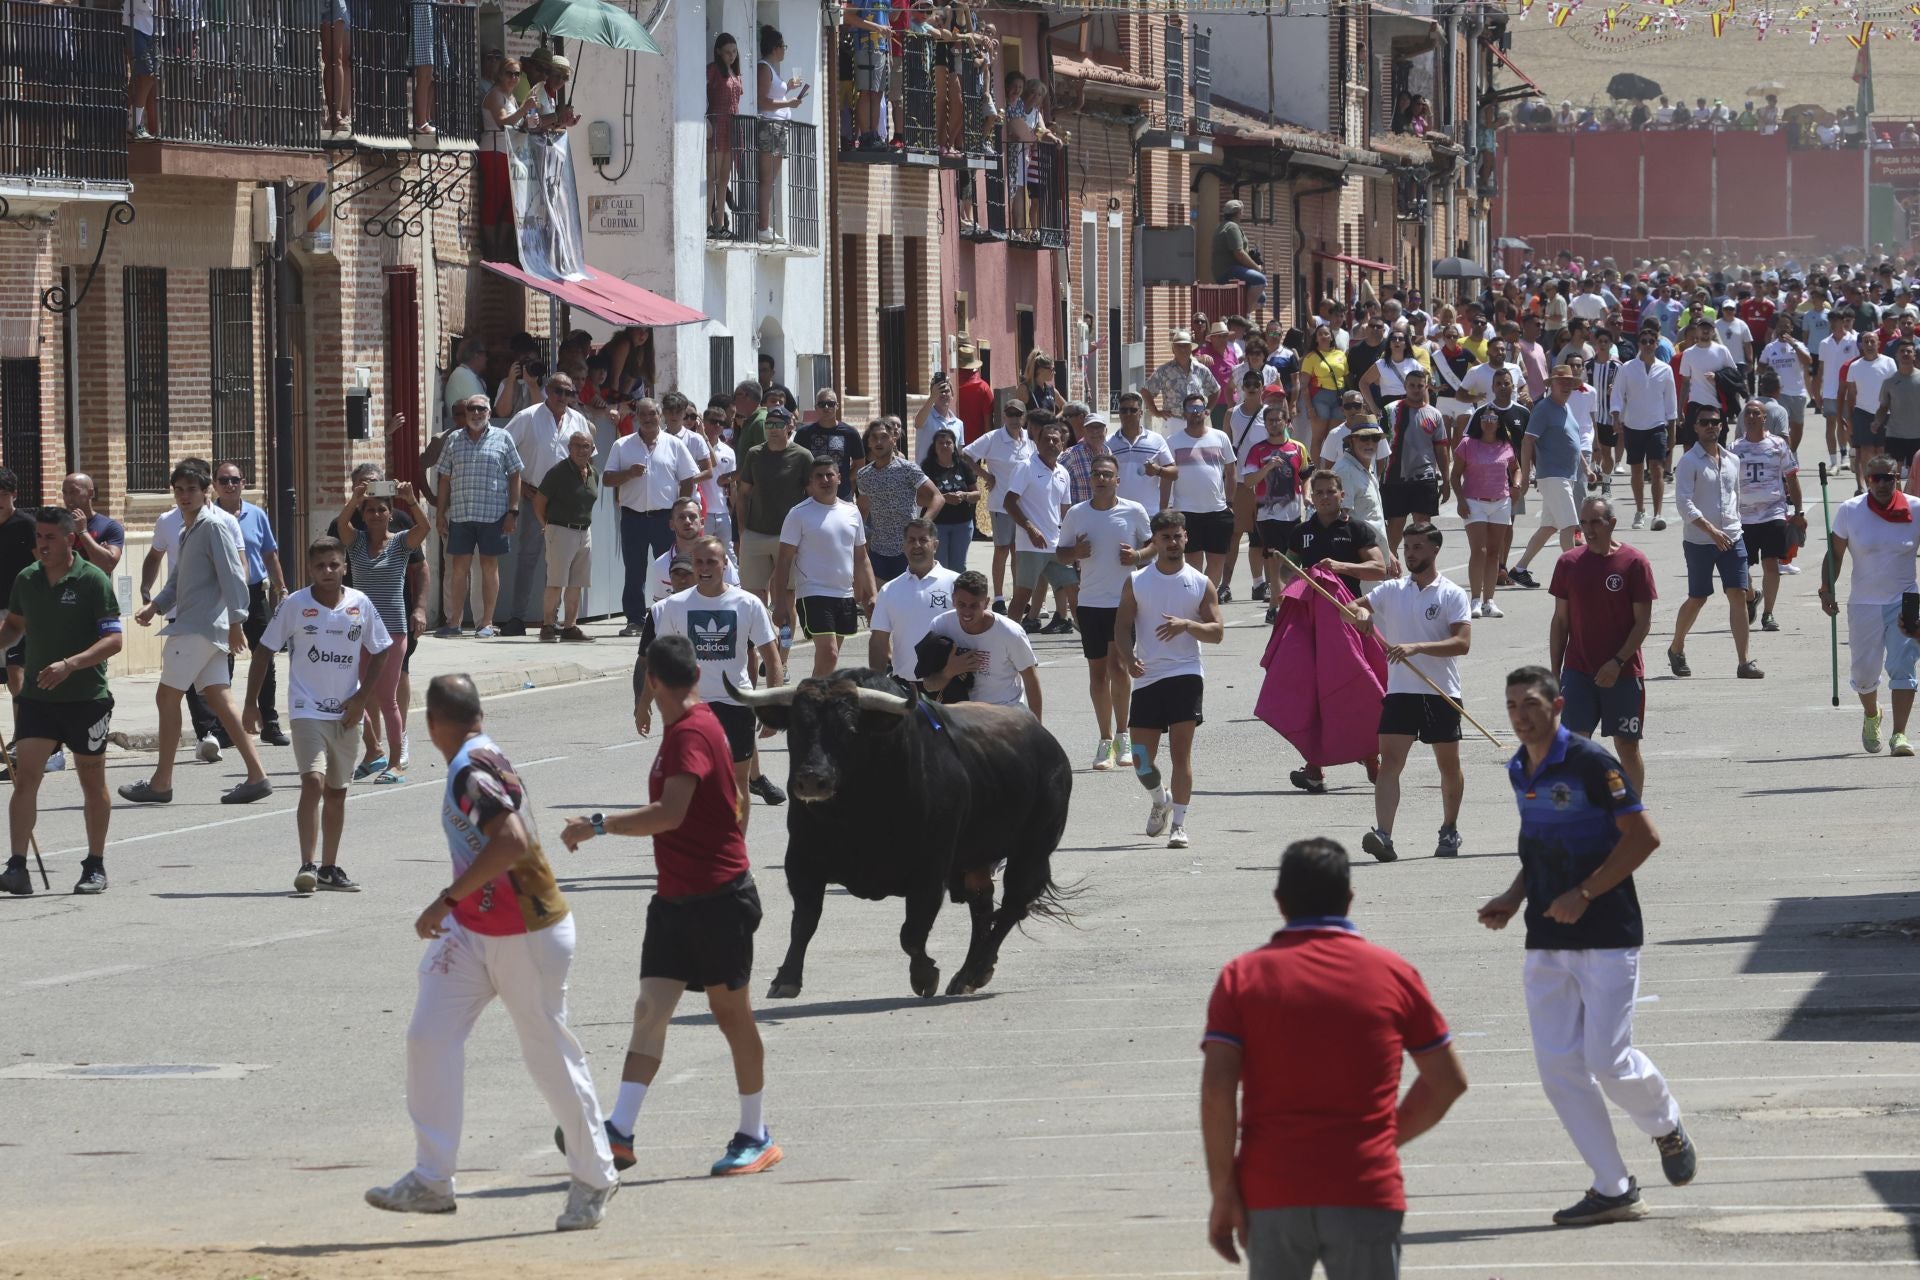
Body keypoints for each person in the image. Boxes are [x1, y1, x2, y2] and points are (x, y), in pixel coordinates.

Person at [365, 676, 618, 1230]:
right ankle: (432, 1180)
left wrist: (445, 899)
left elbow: (511, 840)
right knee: (429, 1036)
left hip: (525, 931)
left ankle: (595, 1176)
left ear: (432, 724)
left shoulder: (469, 770)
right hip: (475, 931)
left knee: (548, 1055)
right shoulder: (480, 753)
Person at [1478, 666, 1696, 1228]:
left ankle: (1665, 1124)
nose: (1521, 716)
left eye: (1530, 704)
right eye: (1512, 706)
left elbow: (1644, 837)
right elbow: (1537, 845)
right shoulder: (1518, 768)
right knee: (1558, 1069)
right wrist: (1513, 896)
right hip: (1546, 938)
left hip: (1607, 935)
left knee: (1607, 1060)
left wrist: (1586, 892)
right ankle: (1614, 1187)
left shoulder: (1593, 763)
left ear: (1558, 706)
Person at [563, 632, 782, 1178]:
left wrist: (598, 825)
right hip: (676, 899)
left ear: (652, 681)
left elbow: (670, 813)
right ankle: (620, 1130)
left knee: (731, 1015)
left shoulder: (690, 733)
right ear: (696, 675)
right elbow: (728, 801)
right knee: (651, 1010)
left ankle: (755, 1134)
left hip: (718, 900)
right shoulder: (694, 725)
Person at [1201, 837, 1466, 1278]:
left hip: (1273, 1188)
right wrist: (1385, 1140)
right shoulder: (1393, 973)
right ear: (1349, 899)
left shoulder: (1241, 978)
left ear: (1279, 902)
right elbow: (1448, 1081)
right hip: (1364, 1187)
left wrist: (1223, 1190)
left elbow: (1216, 1092)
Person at [244, 536, 393, 894]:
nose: (327, 571)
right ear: (310, 569)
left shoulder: (360, 603)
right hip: (306, 709)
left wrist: (361, 699)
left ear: (344, 567)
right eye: (319, 565)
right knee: (313, 781)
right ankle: (307, 864)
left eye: (333, 565)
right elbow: (263, 651)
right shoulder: (295, 605)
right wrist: (251, 704)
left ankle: (329, 868)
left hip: (345, 714)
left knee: (337, 793)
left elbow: (381, 650)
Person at [120, 462, 273, 807]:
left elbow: (234, 576)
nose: (184, 495)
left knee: (166, 697)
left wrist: (237, 622)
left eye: (191, 489)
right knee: (220, 699)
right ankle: (257, 776)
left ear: (206, 491)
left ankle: (161, 783)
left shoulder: (213, 526)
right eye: (179, 489)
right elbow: (178, 581)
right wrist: (155, 606)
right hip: (201, 627)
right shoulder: (187, 529)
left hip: (198, 628)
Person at [0, 508, 122, 897]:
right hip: (38, 698)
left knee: (92, 782)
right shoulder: (27, 579)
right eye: (38, 536)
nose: (42, 544)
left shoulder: (92, 580)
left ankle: (95, 865)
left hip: (86, 699)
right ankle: (17, 867)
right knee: (25, 779)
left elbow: (114, 640)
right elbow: (14, 626)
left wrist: (71, 664)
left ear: (70, 539)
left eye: (50, 537)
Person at [641, 536, 786, 825]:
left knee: (738, 782)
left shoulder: (748, 603)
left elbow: (772, 660)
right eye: (699, 562)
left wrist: (773, 709)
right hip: (692, 710)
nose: (704, 568)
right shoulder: (675, 606)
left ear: (725, 564)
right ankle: (701, 845)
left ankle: (736, 851)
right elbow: (658, 661)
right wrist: (643, 704)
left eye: (711, 562)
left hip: (736, 705)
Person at [1350, 523, 1471, 863]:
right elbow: (1351, 608)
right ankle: (1384, 835)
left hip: (1440, 691)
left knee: (1448, 765)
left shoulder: (1451, 594)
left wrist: (1417, 647)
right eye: (1407, 547)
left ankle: (1449, 828)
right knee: (1390, 763)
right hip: (1400, 691)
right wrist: (1360, 612)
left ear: (1435, 549)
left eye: (1418, 547)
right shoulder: (1391, 589)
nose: (1411, 553)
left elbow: (1462, 643)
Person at [1115, 510, 1223, 850]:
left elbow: (1217, 632)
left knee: (1181, 754)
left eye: (1178, 536)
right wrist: (1128, 658)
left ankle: (1179, 824)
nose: (1173, 542)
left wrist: (1187, 625)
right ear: (1155, 541)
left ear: (1186, 537)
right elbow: (1121, 627)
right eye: (1166, 537)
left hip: (1185, 673)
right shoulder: (1137, 581)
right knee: (1140, 759)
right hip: (1148, 677)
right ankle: (1160, 799)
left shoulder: (1200, 582)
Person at [1550, 497, 1655, 795]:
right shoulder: (1569, 563)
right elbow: (1560, 622)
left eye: (1595, 522)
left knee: (1627, 746)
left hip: (1623, 673)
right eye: (1584, 523)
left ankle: (1630, 812)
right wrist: (1555, 673)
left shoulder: (1634, 563)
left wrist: (1618, 662)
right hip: (1579, 671)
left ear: (1612, 523)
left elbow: (1643, 623)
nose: (1588, 529)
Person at [1821, 454, 1920, 755]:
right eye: (1876, 478)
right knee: (1864, 673)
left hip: (1905, 600)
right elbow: (1835, 553)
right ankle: (1872, 713)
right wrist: (1827, 589)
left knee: (1903, 667)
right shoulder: (1850, 510)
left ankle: (1899, 734)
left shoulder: (1916, 508)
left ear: (1897, 478)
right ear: (1867, 480)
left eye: (1889, 477)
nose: (1882, 484)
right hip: (1864, 602)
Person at [1057, 455, 1153, 769]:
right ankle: (1105, 740)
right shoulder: (1077, 513)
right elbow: (1060, 554)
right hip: (1089, 602)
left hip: (1124, 602)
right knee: (1097, 673)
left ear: (1117, 480)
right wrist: (1075, 552)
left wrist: (1137, 555)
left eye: (1107, 474)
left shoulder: (1133, 511)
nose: (1101, 479)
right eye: (1096, 474)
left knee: (1119, 667)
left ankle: (1124, 736)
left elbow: (1153, 546)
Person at [336, 481, 432, 784]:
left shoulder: (401, 542)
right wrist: (355, 499)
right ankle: (374, 752)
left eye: (381, 510)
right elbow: (341, 525)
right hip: (359, 631)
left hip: (392, 631)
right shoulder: (356, 543)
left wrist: (410, 499)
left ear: (390, 514)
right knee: (350, 694)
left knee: (387, 699)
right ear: (363, 515)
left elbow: (424, 528)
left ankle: (395, 763)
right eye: (370, 510)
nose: (376, 515)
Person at [1667, 409, 1762, 679]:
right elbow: (1683, 503)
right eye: (1704, 422)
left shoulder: (1732, 460)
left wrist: (1735, 527)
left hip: (1732, 537)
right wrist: (1710, 530)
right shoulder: (1688, 462)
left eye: (1715, 422)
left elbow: (1734, 497)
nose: (1710, 426)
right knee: (1698, 597)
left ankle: (1744, 662)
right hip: (1699, 541)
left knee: (1738, 594)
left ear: (1722, 426)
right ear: (1695, 427)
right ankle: (1676, 647)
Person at [501, 374, 593, 637]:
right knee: (529, 558)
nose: (562, 397)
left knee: (564, 565)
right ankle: (517, 617)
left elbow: (589, 458)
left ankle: (554, 621)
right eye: (557, 391)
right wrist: (520, 485)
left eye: (568, 392)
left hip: (568, 504)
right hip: (535, 498)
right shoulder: (528, 416)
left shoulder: (578, 420)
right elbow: (503, 449)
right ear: (547, 391)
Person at [773, 456, 876, 677]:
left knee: (829, 659)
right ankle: (812, 695)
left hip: (844, 594)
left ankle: (815, 694)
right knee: (829, 653)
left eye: (830, 475)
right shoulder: (798, 514)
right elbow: (783, 561)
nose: (825, 480)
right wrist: (780, 603)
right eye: (819, 476)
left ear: (839, 478)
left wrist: (872, 595)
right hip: (813, 593)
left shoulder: (852, 512)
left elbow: (862, 558)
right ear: (811, 481)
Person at [432, 394, 524, 639]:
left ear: (489, 412)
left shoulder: (503, 437)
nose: (476, 413)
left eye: (481, 409)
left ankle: (486, 623)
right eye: (471, 409)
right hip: (461, 514)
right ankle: (454, 622)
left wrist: (513, 511)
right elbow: (444, 479)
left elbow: (515, 475)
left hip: (493, 515)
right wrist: (440, 514)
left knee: (489, 567)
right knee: (458, 569)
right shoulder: (453, 440)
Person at [606, 396, 700, 635]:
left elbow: (688, 479)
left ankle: (673, 615)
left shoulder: (674, 444)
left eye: (652, 414)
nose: (648, 418)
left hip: (664, 518)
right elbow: (607, 479)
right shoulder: (622, 445)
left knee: (673, 567)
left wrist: (679, 510)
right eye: (643, 414)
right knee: (634, 571)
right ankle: (635, 620)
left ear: (660, 416)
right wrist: (628, 474)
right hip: (633, 517)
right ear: (636, 417)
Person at [211, 460, 288, 746]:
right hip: (220, 596)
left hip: (254, 593)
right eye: (223, 480)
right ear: (215, 485)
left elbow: (269, 554)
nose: (230, 485)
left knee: (265, 654)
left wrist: (281, 589)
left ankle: (269, 721)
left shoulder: (257, 515)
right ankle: (226, 726)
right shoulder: (209, 517)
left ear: (243, 483)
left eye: (235, 480)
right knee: (223, 659)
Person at [1508, 366, 1589, 589]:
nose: (1566, 386)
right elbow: (1527, 441)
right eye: (1561, 382)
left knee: (1549, 527)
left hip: (1566, 475)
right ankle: (1574, 575)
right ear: (1551, 385)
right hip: (1553, 476)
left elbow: (1574, 442)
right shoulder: (1544, 408)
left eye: (1569, 383)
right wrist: (1526, 476)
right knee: (1569, 526)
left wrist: (1586, 468)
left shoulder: (1566, 408)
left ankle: (1519, 570)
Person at [921, 569, 1042, 713]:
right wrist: (950, 671)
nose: (967, 611)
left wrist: (1036, 724)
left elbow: (1030, 680)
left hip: (1004, 712)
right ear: (953, 600)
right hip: (959, 714)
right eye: (961, 604)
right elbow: (929, 686)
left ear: (986, 603)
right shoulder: (940, 626)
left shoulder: (1010, 633)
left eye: (974, 605)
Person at [1729, 398, 1803, 635]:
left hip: (1773, 513)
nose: (1751, 417)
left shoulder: (1778, 444)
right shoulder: (1734, 448)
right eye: (1747, 414)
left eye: (1756, 413)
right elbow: (1726, 483)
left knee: (1771, 564)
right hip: (1744, 517)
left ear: (1764, 418)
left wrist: (1798, 512)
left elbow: (1792, 477)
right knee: (1741, 567)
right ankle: (1751, 596)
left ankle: (1768, 613)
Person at [962, 398, 1037, 611]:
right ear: (1004, 416)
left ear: (1024, 416)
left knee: (1018, 552)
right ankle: (998, 597)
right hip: (1001, 505)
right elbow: (966, 454)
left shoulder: (1030, 439)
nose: (1014, 419)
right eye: (1010, 414)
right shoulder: (993, 438)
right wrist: (985, 475)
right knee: (1002, 549)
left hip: (1025, 506)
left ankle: (1019, 597)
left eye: (1018, 414)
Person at [869, 518, 961, 688]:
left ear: (935, 545)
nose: (917, 545)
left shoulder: (956, 583)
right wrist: (876, 684)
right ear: (904, 546)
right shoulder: (889, 590)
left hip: (949, 685)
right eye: (911, 540)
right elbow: (878, 642)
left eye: (923, 540)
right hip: (905, 687)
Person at [1239, 400, 1308, 625]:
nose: (1274, 424)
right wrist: (1267, 467)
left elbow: (1306, 476)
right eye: (1270, 421)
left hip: (1293, 513)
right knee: (1274, 560)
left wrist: (1307, 496)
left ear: (1286, 422)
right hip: (1267, 515)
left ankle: (1286, 603)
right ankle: (1276, 607)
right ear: (1265, 423)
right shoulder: (1257, 450)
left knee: (1293, 562)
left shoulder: (1297, 447)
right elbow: (1249, 481)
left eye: (1278, 420)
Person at [1003, 420, 1076, 633]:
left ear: (1062, 444)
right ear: (1037, 442)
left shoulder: (1063, 472)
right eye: (1046, 440)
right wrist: (1030, 528)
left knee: (1074, 590)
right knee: (1022, 596)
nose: (1051, 443)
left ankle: (1091, 642)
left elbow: (1065, 511)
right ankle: (1008, 638)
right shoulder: (1025, 467)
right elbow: (1009, 502)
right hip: (1031, 546)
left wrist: (1070, 540)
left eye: (1055, 440)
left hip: (1056, 545)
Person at [532, 429, 599, 642]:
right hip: (561, 530)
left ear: (592, 449)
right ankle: (547, 626)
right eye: (576, 446)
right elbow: (538, 501)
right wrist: (546, 526)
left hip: (584, 532)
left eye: (585, 446)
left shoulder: (593, 473)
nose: (581, 450)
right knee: (556, 581)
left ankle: (570, 627)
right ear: (569, 448)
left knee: (576, 582)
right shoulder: (558, 472)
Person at [1453, 398, 1518, 618]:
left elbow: (1515, 469)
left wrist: (1517, 485)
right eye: (1484, 418)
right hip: (1474, 501)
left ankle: (1489, 601)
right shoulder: (1467, 444)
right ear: (1479, 421)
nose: (1488, 422)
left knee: (1494, 552)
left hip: (1501, 502)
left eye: (1492, 418)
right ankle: (1475, 600)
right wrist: (1460, 500)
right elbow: (1455, 476)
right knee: (1478, 551)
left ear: (1499, 423)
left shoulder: (1506, 445)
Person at [855, 418, 942, 583]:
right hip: (878, 549)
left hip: (908, 549)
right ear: (869, 443)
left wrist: (923, 524)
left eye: (884, 437)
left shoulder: (908, 469)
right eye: (874, 437)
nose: (879, 442)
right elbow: (863, 509)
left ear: (893, 440)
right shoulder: (864, 475)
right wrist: (861, 539)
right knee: (881, 596)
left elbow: (937, 497)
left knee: (911, 594)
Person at [1168, 391, 1238, 594]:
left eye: (1199, 408)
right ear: (1184, 413)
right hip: (1186, 511)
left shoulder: (1220, 437)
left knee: (1216, 562)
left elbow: (1231, 472)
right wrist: (1168, 506)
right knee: (1192, 563)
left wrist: (1230, 503)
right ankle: (1194, 600)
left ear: (1206, 412)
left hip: (1217, 510)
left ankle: (1206, 599)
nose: (1195, 412)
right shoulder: (1173, 441)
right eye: (1191, 408)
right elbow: (1167, 477)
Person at [1610, 327, 1679, 530]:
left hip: (1657, 425)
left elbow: (1671, 402)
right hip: (1633, 425)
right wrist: (1616, 417)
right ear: (1639, 344)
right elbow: (1617, 394)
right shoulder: (1627, 368)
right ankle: (1640, 511)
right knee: (1637, 470)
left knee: (1657, 469)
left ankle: (1657, 514)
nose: (1648, 345)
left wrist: (1672, 432)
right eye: (1644, 341)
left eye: (1651, 341)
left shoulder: (1665, 369)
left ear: (1657, 344)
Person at [1380, 370, 1450, 555]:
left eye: (1420, 386)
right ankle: (1391, 564)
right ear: (1405, 386)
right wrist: (1377, 478)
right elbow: (1379, 447)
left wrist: (1446, 481)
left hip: (1424, 478)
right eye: (1412, 385)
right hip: (1394, 477)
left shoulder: (1434, 414)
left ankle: (1423, 565)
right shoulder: (1390, 410)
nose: (1416, 389)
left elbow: (1441, 450)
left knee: (1423, 528)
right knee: (1395, 526)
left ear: (1426, 387)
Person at [1842, 330, 1896, 490]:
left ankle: (1885, 483)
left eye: (1872, 341)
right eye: (1866, 342)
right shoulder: (1854, 366)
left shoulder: (1889, 363)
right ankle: (1869, 487)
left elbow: (1894, 390)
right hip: (1862, 413)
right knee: (1866, 451)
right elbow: (1851, 394)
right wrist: (1849, 419)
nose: (1869, 344)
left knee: (1881, 451)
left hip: (1885, 413)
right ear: (1861, 345)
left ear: (1879, 343)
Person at [921, 427, 981, 572]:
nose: (945, 446)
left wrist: (965, 495)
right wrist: (943, 499)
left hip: (962, 524)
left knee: (958, 566)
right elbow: (919, 499)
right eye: (940, 443)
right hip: (937, 524)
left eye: (948, 443)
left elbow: (977, 494)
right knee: (939, 565)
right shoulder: (927, 468)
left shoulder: (963, 466)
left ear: (954, 446)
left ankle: (958, 587)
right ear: (934, 447)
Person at [1108, 390, 1177, 512]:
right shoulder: (1108, 442)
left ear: (1140, 413)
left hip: (1149, 511)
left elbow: (1174, 473)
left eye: (1133, 410)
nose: (1128, 414)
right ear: (1119, 413)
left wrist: (1158, 470)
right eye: (1124, 410)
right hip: (1118, 511)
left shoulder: (1156, 439)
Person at [795, 390, 864, 501]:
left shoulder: (850, 433)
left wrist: (843, 480)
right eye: (822, 404)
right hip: (812, 497)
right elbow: (797, 465)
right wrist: (809, 486)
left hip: (842, 496)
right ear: (816, 408)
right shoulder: (803, 434)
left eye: (831, 404)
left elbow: (859, 464)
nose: (826, 407)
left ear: (837, 406)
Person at [1759, 312, 1813, 454]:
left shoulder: (1798, 345)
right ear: (1776, 328)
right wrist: (1766, 370)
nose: (1783, 329)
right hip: (1778, 394)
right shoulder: (1770, 347)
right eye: (1780, 326)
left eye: (1786, 326)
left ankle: (1792, 452)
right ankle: (1781, 453)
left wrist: (1793, 345)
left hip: (1797, 393)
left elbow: (1808, 361)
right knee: (1781, 425)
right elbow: (1760, 368)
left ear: (1791, 328)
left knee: (1797, 426)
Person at [1213, 198, 1266, 308]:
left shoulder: (1222, 225)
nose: (1243, 214)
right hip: (1229, 270)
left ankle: (1241, 311)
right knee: (1260, 279)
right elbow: (1239, 253)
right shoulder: (1232, 227)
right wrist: (1257, 268)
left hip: (1225, 270)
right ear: (1237, 213)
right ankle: (1244, 313)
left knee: (1261, 297)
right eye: (1242, 211)